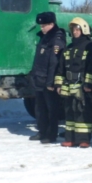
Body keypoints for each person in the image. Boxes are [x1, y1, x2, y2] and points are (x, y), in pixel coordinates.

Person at [54, 17, 92, 148]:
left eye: (77, 29)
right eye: (73, 30)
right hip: (68, 85)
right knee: (69, 112)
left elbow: (91, 66)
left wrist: (88, 84)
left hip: (83, 86)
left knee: (83, 112)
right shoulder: (69, 48)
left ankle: (84, 139)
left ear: (83, 30)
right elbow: (60, 67)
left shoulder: (89, 46)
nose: (75, 32)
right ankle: (70, 138)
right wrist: (59, 84)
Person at [29, 11, 66, 144]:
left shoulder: (57, 38)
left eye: (44, 25)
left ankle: (51, 135)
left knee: (51, 109)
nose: (41, 28)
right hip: (39, 79)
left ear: (51, 24)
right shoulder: (44, 37)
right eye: (40, 25)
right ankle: (42, 131)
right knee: (40, 108)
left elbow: (54, 63)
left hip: (48, 81)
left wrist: (51, 82)